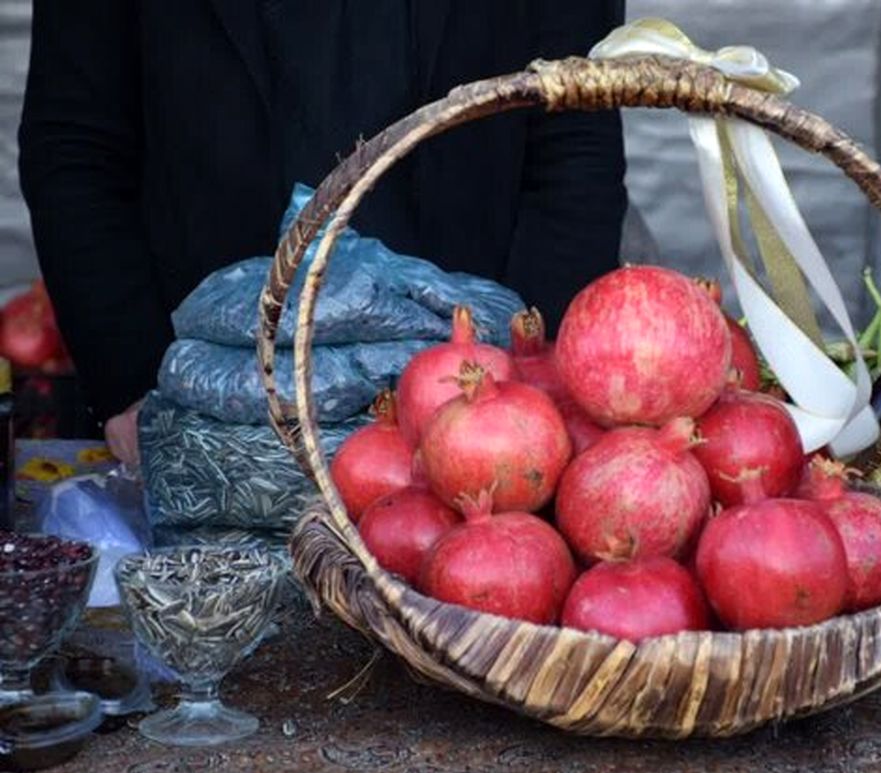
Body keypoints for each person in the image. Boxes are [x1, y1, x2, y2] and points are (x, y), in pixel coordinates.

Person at [18, 1, 628, 464]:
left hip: (472, 421)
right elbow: (74, 145)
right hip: (209, 414)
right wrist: (131, 383)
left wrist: (531, 382)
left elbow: (575, 146)